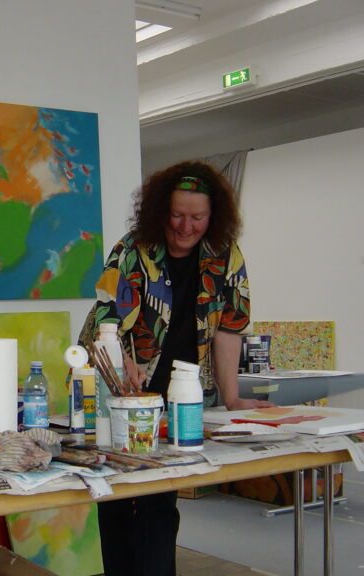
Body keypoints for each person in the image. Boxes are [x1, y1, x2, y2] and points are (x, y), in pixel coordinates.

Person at [78, 160, 273, 576]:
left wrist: (233, 397)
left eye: (197, 217)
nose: (187, 227)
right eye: (177, 215)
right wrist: (123, 365)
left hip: (182, 392)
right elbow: (107, 319)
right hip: (122, 387)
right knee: (118, 493)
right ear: (159, 211)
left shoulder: (225, 256)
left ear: (214, 216)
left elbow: (230, 328)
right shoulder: (133, 250)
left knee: (160, 496)